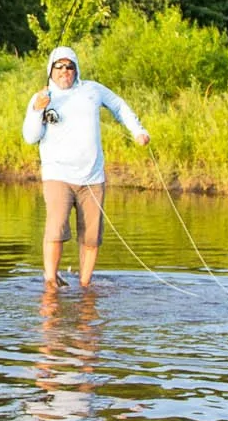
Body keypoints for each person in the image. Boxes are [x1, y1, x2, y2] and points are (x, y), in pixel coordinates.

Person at [21, 45, 147, 291]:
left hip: (92, 177)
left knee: (91, 236)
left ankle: (85, 286)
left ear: (76, 69)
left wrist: (138, 131)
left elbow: (119, 106)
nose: (64, 71)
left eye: (69, 67)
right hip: (58, 174)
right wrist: (38, 110)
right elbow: (30, 137)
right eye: (59, 67)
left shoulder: (92, 90)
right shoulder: (42, 97)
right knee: (56, 229)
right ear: (51, 70)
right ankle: (50, 282)